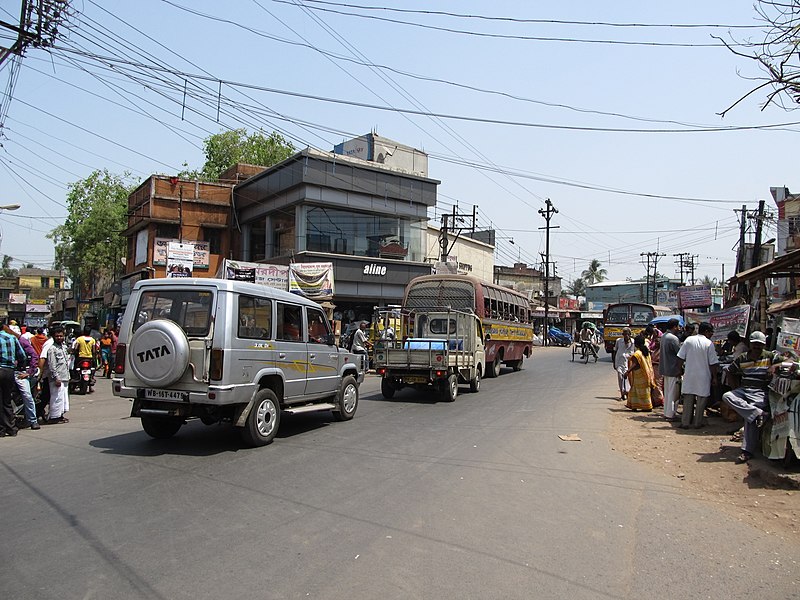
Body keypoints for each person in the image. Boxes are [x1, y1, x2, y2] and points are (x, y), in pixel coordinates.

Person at [721, 331, 781, 464]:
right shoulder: (742, 358)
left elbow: (787, 360)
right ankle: (759, 414)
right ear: (750, 345)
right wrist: (735, 388)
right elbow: (730, 371)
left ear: (763, 345)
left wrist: (774, 366)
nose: (757, 348)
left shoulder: (769, 356)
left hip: (760, 391)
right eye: (755, 345)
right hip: (743, 389)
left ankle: (747, 451)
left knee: (750, 418)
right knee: (727, 396)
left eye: (760, 345)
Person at [676, 322, 719, 429]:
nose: (712, 334)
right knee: (701, 401)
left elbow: (680, 357)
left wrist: (679, 371)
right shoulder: (709, 343)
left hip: (689, 375)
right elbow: (713, 363)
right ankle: (697, 423)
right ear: (706, 332)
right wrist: (714, 377)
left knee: (688, 400)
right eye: (711, 332)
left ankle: (685, 422)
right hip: (703, 376)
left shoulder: (689, 340)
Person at [7, 323, 40, 430]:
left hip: (19, 373)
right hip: (7, 372)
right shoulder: (5, 339)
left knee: (27, 395)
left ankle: (33, 420)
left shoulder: (22, 341)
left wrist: (29, 372)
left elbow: (34, 356)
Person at [0, 319, 27, 437]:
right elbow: (22, 355)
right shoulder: (12, 338)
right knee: (6, 400)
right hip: (9, 371)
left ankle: (2, 429)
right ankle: (10, 428)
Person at [46, 325, 71, 424]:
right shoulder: (52, 349)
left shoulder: (63, 347)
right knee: (56, 398)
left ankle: (60, 415)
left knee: (63, 398)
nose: (59, 338)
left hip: (65, 376)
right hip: (57, 378)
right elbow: (52, 365)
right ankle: (54, 417)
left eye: (61, 336)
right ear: (53, 337)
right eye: (57, 336)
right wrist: (56, 377)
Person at [659, 319, 683, 422]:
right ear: (674, 327)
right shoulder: (673, 339)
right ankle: (670, 414)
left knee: (668, 392)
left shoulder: (664, 336)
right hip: (673, 369)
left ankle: (667, 412)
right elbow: (680, 354)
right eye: (678, 326)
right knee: (673, 393)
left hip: (666, 368)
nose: (679, 328)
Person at [626, 334, 655, 411]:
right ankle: (646, 406)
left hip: (639, 374)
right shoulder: (646, 351)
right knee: (645, 391)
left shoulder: (637, 353)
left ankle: (635, 406)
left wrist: (628, 372)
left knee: (636, 391)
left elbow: (635, 364)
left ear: (636, 343)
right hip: (646, 374)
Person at [613, 328, 635, 401]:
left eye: (627, 334)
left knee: (627, 378)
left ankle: (628, 393)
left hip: (629, 362)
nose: (626, 336)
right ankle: (622, 394)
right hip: (619, 361)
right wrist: (614, 362)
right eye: (624, 334)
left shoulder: (633, 342)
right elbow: (615, 351)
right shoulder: (619, 341)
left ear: (630, 334)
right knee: (620, 377)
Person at [645, 324, 664, 408]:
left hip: (658, 369)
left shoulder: (661, 352)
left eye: (657, 341)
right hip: (653, 369)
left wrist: (653, 362)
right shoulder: (654, 350)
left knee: (658, 385)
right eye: (655, 341)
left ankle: (659, 400)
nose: (656, 342)